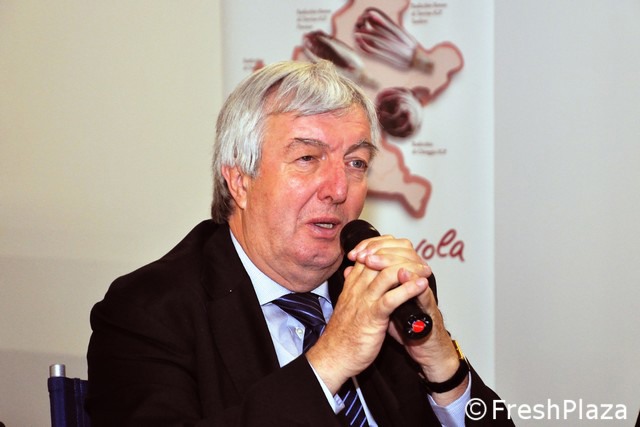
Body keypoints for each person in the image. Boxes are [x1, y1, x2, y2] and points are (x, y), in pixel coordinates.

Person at [87, 59, 513, 426]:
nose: (339, 189)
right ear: (240, 181)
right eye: (308, 158)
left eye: (356, 162)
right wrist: (330, 361)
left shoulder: (377, 288)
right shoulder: (148, 312)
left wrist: (443, 365)